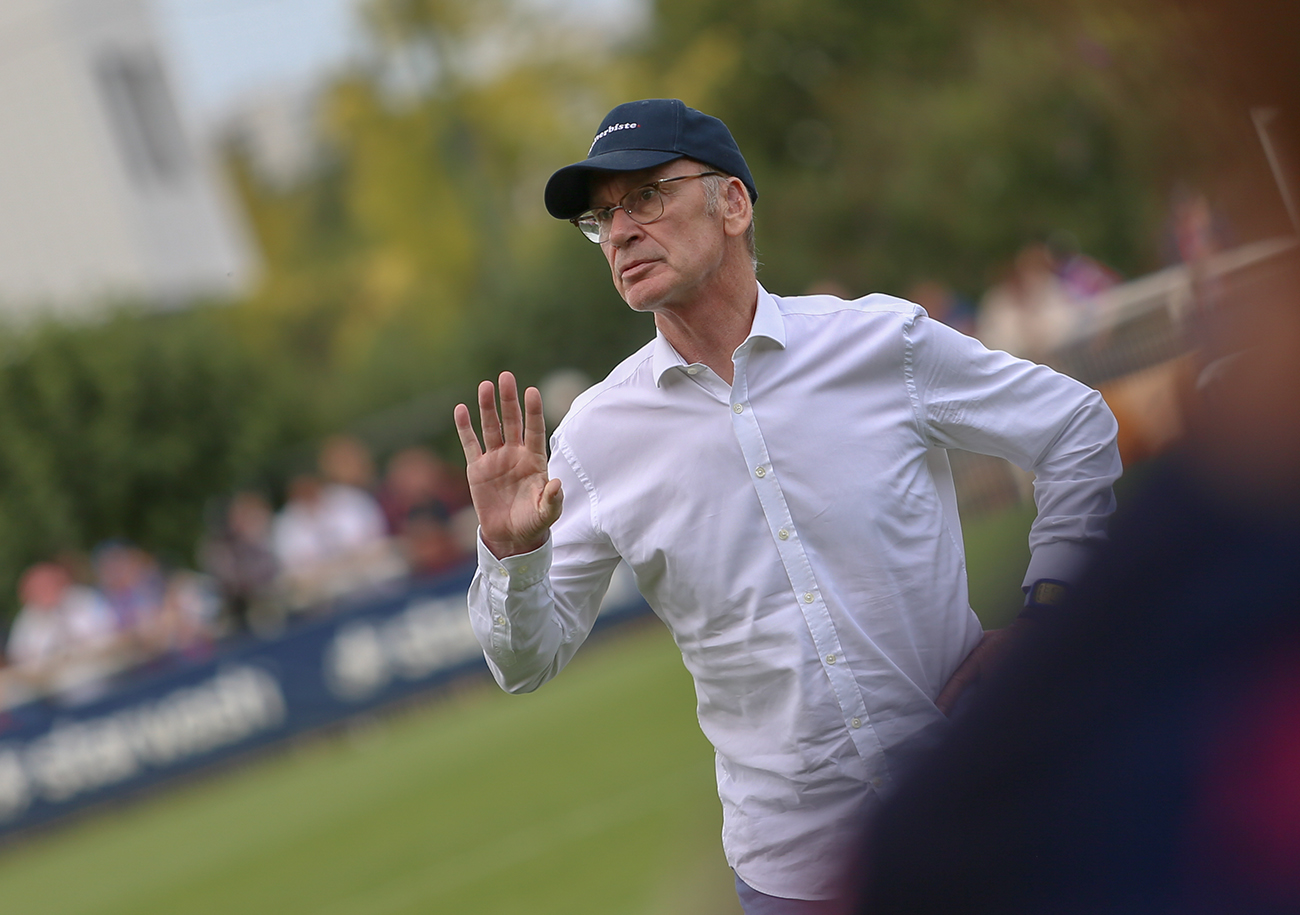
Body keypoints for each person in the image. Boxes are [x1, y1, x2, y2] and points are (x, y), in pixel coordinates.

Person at [453, 98, 1122, 912]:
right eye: (602, 217)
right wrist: (511, 553)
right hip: (796, 876)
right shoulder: (596, 436)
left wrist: (1049, 615)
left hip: (981, 807)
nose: (620, 230)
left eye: (647, 197)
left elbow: (1076, 426)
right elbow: (523, 662)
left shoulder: (880, 342)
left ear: (732, 202)